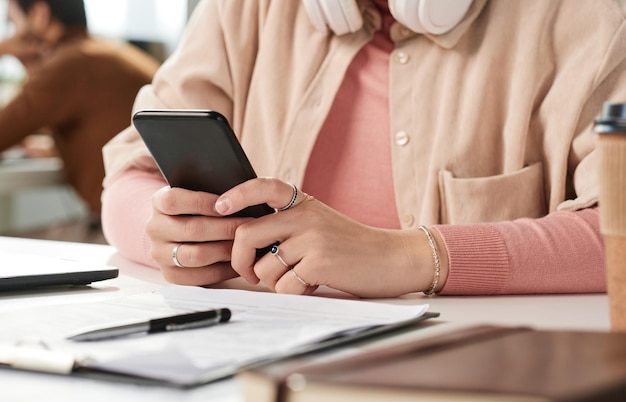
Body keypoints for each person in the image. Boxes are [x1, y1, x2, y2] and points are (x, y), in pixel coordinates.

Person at [101, 0, 626, 298]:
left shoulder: (591, 19)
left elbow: (619, 232)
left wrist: (408, 256)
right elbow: (127, 172)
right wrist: (171, 236)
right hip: (261, 362)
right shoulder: (245, 10)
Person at [0, 0, 159, 222]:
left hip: (125, 226)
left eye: (12, 22)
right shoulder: (106, 51)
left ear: (40, 13)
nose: (11, 35)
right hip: (153, 215)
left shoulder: (68, 64)